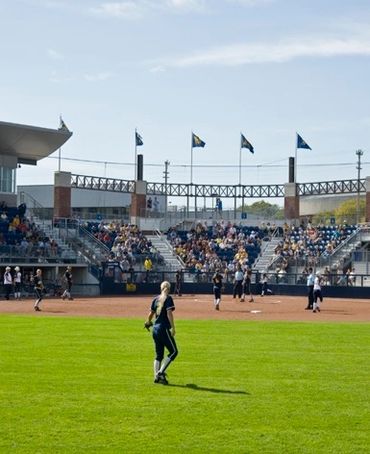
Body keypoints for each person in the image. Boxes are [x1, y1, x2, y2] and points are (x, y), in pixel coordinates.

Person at [144, 281, 178, 385]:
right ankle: (160, 372)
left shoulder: (156, 299)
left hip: (155, 329)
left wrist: (148, 322)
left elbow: (151, 313)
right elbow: (169, 313)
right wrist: (173, 327)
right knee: (174, 352)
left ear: (161, 288)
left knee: (159, 355)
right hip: (163, 328)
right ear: (169, 288)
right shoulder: (168, 298)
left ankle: (156, 377)